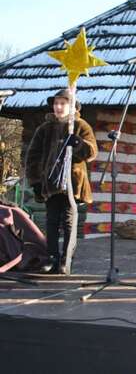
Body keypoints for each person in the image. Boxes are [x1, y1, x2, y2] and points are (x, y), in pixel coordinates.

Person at [26, 89, 97, 275]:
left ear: (71, 106)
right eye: (56, 103)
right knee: (51, 221)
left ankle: (66, 259)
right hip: (50, 183)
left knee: (68, 222)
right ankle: (52, 259)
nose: (58, 107)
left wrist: (78, 143)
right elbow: (33, 156)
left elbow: (91, 153)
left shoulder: (81, 126)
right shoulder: (45, 128)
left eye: (62, 103)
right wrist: (36, 181)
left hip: (71, 183)